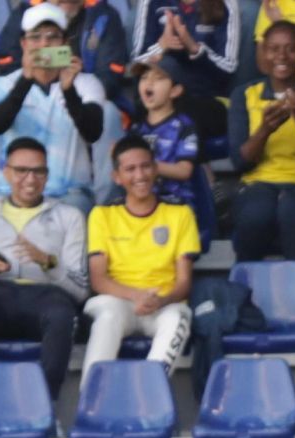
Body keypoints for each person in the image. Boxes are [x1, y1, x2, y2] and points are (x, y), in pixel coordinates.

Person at [0, 137, 89, 400]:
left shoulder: (69, 216)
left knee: (62, 315)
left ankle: (47, 407)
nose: (30, 179)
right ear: (6, 172)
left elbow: (80, 291)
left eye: (39, 171)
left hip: (45, 295)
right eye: (21, 171)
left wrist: (48, 262)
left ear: (47, 175)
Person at [83, 136, 198, 376]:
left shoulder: (181, 214)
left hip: (164, 303)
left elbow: (184, 282)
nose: (140, 175)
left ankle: (149, 400)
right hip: (119, 301)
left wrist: (161, 301)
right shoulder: (101, 215)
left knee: (178, 318)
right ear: (117, 177)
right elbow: (98, 280)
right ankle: (90, 402)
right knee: (108, 316)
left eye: (146, 166)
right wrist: (136, 296)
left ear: (156, 169)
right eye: (130, 169)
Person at [229, 19, 295, 275]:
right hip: (258, 183)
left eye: (290, 49)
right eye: (274, 49)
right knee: (256, 214)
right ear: (264, 52)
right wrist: (265, 129)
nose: (282, 56)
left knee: (293, 210)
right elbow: (239, 161)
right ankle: (246, 294)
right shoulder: (244, 94)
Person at [0, 4, 110, 212]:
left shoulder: (87, 83)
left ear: (65, 43)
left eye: (52, 37)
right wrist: (26, 79)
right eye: (36, 37)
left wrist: (69, 91)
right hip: (12, 192)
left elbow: (93, 132)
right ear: (23, 43)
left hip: (69, 194)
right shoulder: (3, 85)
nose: (44, 44)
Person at [129, 0, 239, 145]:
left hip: (206, 98)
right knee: (166, 69)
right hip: (159, 98)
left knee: (181, 117)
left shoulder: (227, 3)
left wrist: (194, 48)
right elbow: (136, 62)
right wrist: (162, 45)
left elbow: (228, 68)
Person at [0, 0, 129, 100]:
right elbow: (8, 66)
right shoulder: (23, 14)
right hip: (30, 100)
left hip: (85, 99)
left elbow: (109, 75)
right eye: (36, 36)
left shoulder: (104, 15)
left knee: (108, 112)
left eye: (53, 36)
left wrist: (73, 94)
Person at [130, 58, 201, 205]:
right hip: (142, 203)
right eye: (144, 78)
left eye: (158, 78)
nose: (148, 83)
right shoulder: (136, 129)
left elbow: (184, 171)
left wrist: (146, 165)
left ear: (175, 91)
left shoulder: (184, 126)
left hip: (175, 203)